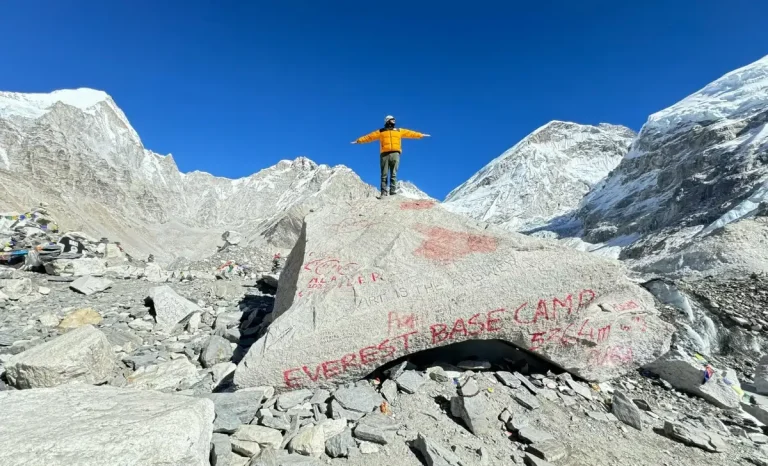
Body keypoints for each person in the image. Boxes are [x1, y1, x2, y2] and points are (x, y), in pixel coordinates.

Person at [351, 115, 430, 197]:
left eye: (394, 120)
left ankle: (393, 191)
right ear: (387, 121)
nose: (394, 121)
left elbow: (410, 133)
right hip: (384, 154)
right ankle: (383, 192)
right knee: (384, 174)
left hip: (395, 153)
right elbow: (369, 137)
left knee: (393, 174)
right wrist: (359, 141)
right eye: (392, 120)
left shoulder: (399, 131)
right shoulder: (381, 132)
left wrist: (420, 135)